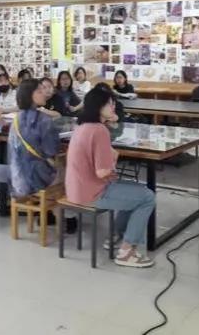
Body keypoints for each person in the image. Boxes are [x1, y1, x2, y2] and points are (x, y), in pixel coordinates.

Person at [65, 87, 155, 268]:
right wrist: (113, 160)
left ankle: (117, 236)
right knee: (147, 197)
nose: (113, 106)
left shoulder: (82, 126)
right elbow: (103, 172)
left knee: (135, 191)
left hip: (76, 188)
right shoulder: (99, 130)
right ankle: (127, 252)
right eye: (109, 103)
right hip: (92, 193)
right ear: (97, 106)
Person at [8, 79, 60, 198]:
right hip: (39, 180)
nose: (44, 93)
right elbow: (51, 150)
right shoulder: (44, 120)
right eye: (39, 91)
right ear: (29, 95)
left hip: (17, 179)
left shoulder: (15, 119)